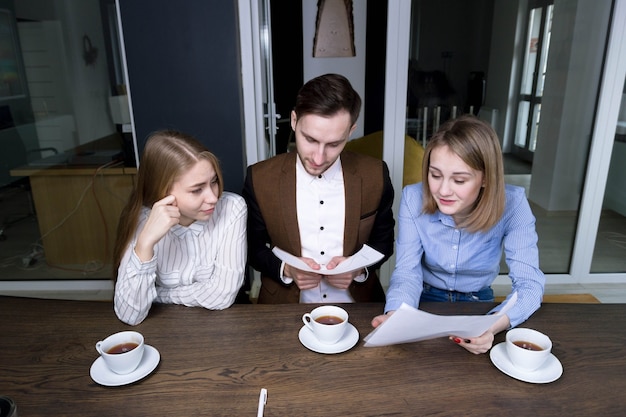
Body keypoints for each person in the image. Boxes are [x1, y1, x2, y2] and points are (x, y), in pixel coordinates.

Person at [371, 115, 545, 354]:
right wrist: (396, 315)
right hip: (425, 297)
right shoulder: (413, 197)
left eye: (459, 179)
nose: (443, 190)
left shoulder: (513, 204)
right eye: (435, 175)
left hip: (479, 302)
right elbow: (407, 272)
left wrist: (491, 326)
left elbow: (529, 286)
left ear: (485, 178)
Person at [242, 73, 395, 304]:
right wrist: (286, 269)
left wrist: (357, 270)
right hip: (282, 309)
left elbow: (384, 242)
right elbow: (253, 247)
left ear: (351, 131)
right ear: (294, 121)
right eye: (310, 139)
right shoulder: (260, 177)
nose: (319, 157)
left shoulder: (375, 174)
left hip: (360, 307)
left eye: (334, 144)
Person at [113, 130, 247, 325]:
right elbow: (130, 315)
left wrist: (159, 296)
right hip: (165, 329)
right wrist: (145, 244)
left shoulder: (232, 208)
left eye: (214, 181)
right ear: (163, 190)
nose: (212, 198)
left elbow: (222, 295)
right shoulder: (141, 220)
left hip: (222, 327)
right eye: (197, 189)